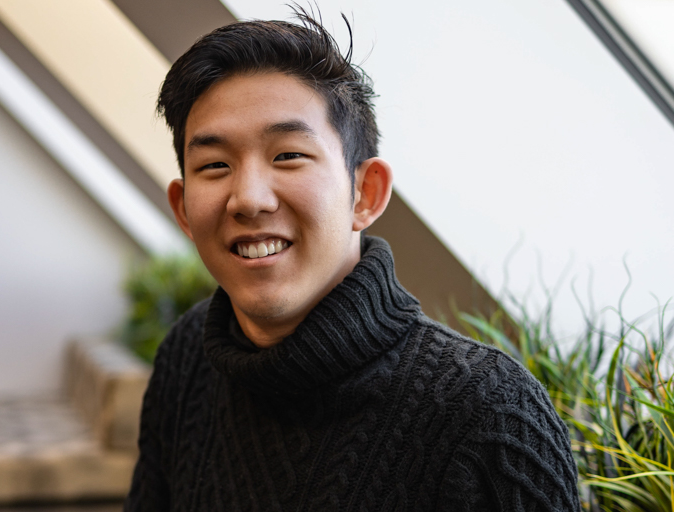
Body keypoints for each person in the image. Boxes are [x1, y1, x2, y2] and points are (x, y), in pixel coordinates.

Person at [125, 9, 580, 512]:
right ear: (183, 210)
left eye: (288, 156)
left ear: (365, 193)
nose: (249, 199)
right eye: (215, 166)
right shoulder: (187, 359)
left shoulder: (488, 415)